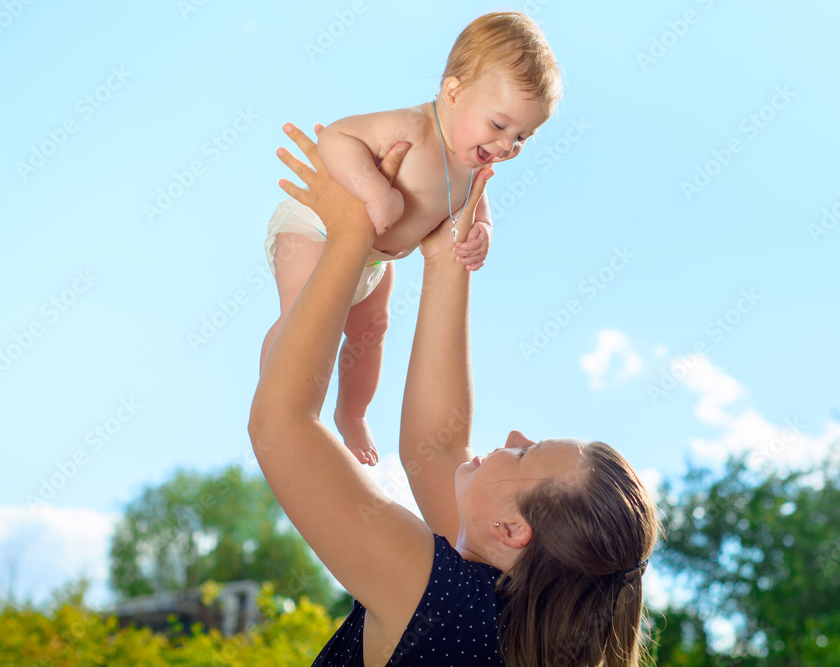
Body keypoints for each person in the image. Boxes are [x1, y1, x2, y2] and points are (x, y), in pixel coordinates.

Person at [249, 124, 660, 666]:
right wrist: (448, 257)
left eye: (524, 453)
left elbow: (281, 425)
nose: (513, 435)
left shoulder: (448, 606)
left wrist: (350, 232)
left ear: (512, 530)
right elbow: (436, 449)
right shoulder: (496, 613)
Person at [259, 11, 562, 467]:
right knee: (305, 316)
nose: (506, 146)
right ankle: (275, 399)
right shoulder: (413, 128)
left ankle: (352, 412)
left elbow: (477, 207)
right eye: (499, 126)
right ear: (453, 93)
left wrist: (483, 231)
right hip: (315, 229)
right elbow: (339, 137)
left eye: (522, 138)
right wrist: (373, 190)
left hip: (373, 259)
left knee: (371, 331)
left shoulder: (473, 166)